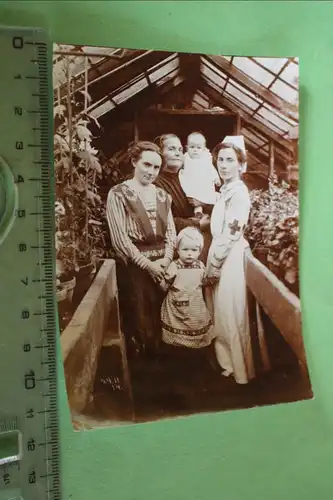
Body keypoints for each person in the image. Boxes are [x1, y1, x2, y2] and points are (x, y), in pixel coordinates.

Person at [106, 141, 177, 358]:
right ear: (134, 161)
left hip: (164, 268)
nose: (151, 172)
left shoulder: (163, 196)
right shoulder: (118, 194)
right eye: (147, 165)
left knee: (166, 316)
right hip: (137, 268)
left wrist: (165, 260)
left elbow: (171, 233)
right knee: (141, 319)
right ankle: (146, 374)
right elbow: (120, 239)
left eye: (156, 167)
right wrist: (148, 266)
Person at [205, 137, 255, 384]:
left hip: (230, 255)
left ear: (240, 164)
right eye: (220, 160)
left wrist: (215, 261)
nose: (223, 165)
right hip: (221, 250)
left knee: (230, 311)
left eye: (230, 161)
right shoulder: (226, 190)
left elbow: (234, 230)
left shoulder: (239, 193)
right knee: (221, 312)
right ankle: (227, 366)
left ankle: (239, 372)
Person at [154, 133, 212, 263]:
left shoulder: (187, 177)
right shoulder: (156, 183)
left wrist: (205, 205)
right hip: (176, 250)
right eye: (171, 149)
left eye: (180, 150)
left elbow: (209, 200)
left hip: (200, 243)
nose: (177, 153)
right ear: (160, 153)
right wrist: (197, 223)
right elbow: (161, 222)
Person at [160, 226, 213, 349]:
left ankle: (196, 345)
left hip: (195, 304)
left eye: (194, 250)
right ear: (177, 250)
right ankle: (176, 347)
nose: (189, 253)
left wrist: (211, 280)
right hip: (177, 303)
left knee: (197, 322)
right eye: (185, 249)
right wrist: (161, 281)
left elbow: (203, 281)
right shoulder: (175, 266)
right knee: (177, 325)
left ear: (199, 251)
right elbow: (164, 285)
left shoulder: (200, 266)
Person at [179, 132, 221, 219]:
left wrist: (216, 178)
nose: (195, 150)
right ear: (186, 148)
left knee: (204, 195)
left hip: (203, 182)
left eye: (198, 147)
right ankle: (197, 212)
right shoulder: (185, 158)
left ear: (204, 149)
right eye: (192, 147)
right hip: (191, 181)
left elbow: (211, 169)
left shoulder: (205, 159)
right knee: (192, 196)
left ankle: (202, 212)